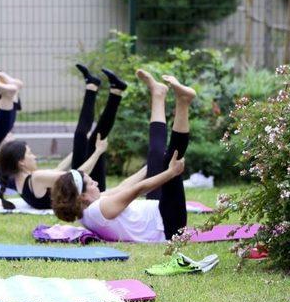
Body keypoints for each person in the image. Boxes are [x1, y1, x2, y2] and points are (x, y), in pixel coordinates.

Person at [50, 69, 192, 242]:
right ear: (82, 196)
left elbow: (122, 188)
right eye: (91, 182)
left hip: (158, 215)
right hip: (169, 223)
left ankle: (158, 94)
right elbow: (136, 190)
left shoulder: (87, 209)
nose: (96, 182)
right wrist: (170, 172)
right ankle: (183, 101)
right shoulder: (98, 209)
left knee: (157, 154)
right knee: (172, 158)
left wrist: (151, 166)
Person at [0, 64, 126, 209]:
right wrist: (98, 152)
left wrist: (75, 152)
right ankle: (115, 91)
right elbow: (79, 177)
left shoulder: (21, 181)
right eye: (29, 153)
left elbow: (57, 170)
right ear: (21, 162)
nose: (34, 156)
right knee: (95, 138)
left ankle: (94, 86)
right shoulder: (36, 178)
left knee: (80, 136)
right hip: (90, 190)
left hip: (83, 189)